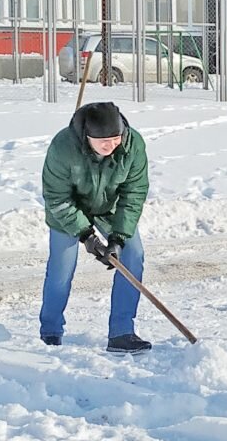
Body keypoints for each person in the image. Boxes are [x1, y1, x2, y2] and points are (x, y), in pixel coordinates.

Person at [40, 102, 152, 354]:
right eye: (103, 141)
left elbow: (134, 193)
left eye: (115, 139)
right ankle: (50, 331)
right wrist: (86, 235)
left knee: (133, 256)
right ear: (87, 137)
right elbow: (57, 198)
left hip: (110, 208)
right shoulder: (63, 147)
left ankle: (122, 332)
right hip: (68, 210)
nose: (110, 146)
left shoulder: (133, 145)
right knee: (61, 268)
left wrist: (119, 237)